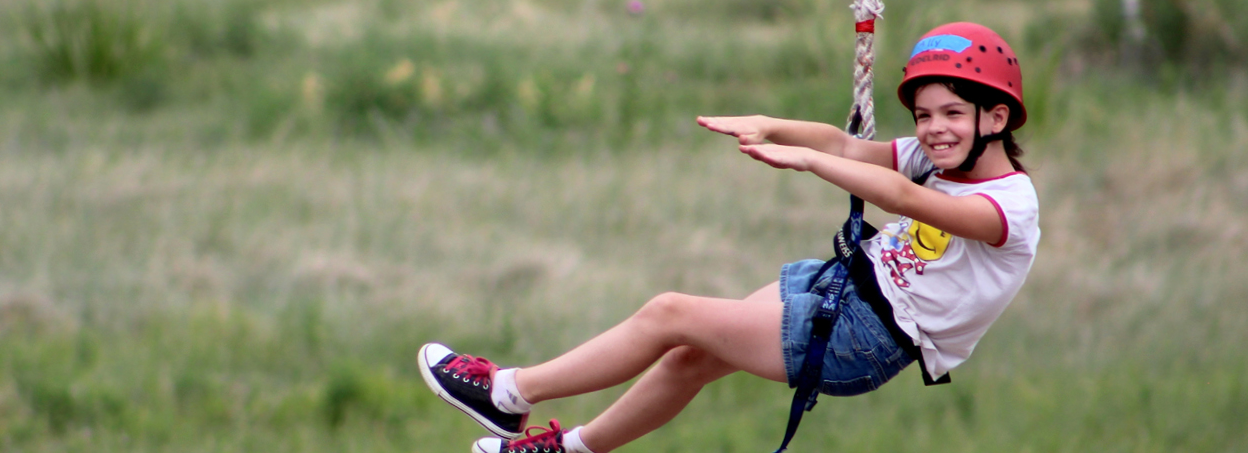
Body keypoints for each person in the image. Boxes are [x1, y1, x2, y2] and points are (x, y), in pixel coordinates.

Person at [416, 22, 1039, 453]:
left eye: (952, 114)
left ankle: (507, 393)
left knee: (670, 314)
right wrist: (769, 124)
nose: (933, 130)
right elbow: (848, 145)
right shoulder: (939, 160)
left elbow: (901, 197)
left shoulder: (1008, 208)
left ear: (996, 117)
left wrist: (807, 164)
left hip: (866, 337)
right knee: (689, 355)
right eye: (924, 115)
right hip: (842, 289)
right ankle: (571, 448)